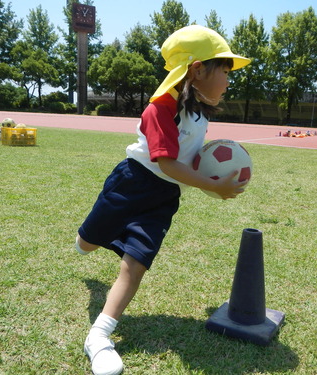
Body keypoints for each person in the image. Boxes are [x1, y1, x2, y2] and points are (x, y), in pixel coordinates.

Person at [75, 25, 250, 375]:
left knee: (135, 263)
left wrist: (215, 165)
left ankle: (99, 336)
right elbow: (167, 161)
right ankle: (86, 240)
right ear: (198, 69)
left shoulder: (199, 111)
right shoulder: (160, 108)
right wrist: (211, 186)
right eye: (226, 71)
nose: (229, 81)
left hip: (163, 197)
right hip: (130, 185)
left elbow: (185, 160)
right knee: (88, 243)